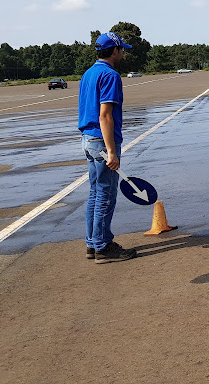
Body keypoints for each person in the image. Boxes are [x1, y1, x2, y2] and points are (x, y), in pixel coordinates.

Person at [78, 32, 138, 264]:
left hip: (88, 139)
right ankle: (103, 247)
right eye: (121, 49)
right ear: (114, 51)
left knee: (95, 192)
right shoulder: (110, 75)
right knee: (105, 194)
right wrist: (111, 151)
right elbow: (105, 115)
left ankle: (92, 243)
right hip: (102, 141)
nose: (122, 52)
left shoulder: (89, 73)